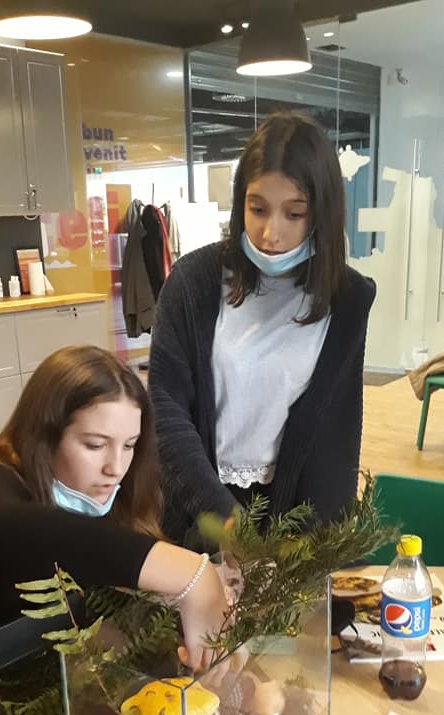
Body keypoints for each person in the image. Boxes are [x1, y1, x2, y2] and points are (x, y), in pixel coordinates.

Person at [149, 111, 377, 545]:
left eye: (294, 214)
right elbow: (166, 410)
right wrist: (226, 522)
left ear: (321, 214)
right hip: (196, 508)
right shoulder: (193, 282)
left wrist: (311, 552)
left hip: (289, 515)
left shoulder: (347, 300)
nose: (271, 233)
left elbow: (335, 440)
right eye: (257, 209)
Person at [0, 345, 227, 671]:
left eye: (129, 445)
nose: (115, 468)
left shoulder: (108, 490)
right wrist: (190, 572)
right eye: (95, 445)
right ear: (44, 435)